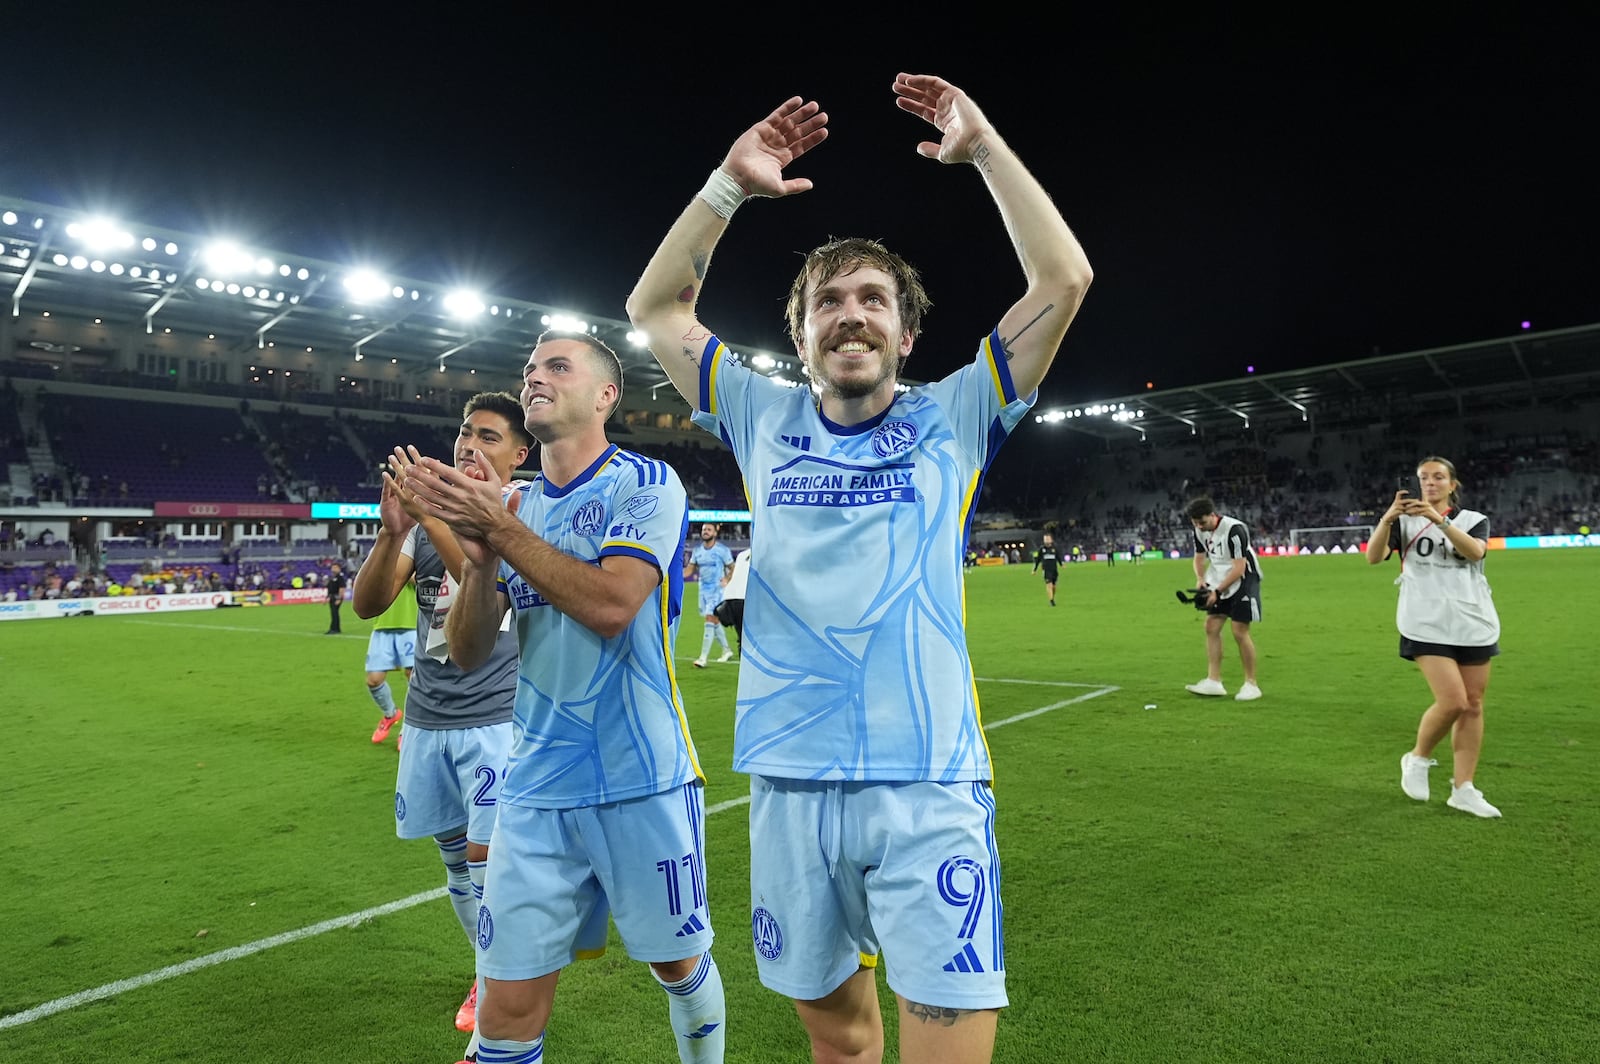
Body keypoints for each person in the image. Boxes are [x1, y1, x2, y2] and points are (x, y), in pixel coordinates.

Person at [625, 73, 1092, 1064]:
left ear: (906, 333)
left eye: (872, 298)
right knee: (837, 1046)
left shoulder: (955, 415)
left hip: (927, 786)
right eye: (826, 301)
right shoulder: (761, 413)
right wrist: (727, 187)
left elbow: (1064, 281)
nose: (849, 314)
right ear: (799, 337)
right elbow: (656, 307)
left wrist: (987, 150)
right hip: (788, 785)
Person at [399, 332, 725, 1064]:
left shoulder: (645, 484)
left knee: (677, 966)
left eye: (556, 366)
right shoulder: (512, 505)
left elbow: (613, 606)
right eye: (529, 369)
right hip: (536, 786)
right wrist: (482, 568)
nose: (534, 377)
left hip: (640, 777)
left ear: (606, 394)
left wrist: (502, 531)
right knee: (507, 1007)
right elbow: (471, 648)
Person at [351, 391, 532, 1058]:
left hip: (496, 720)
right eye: (463, 433)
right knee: (455, 864)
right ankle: (490, 971)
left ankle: (496, 996)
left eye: (486, 436)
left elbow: (494, 597)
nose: (467, 446)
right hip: (428, 720)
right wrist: (394, 529)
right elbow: (369, 603)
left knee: (487, 868)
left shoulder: (520, 516)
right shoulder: (425, 525)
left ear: (518, 454)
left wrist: (432, 515)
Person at [1366, 456, 1502, 818]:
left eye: (1438, 477)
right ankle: (1418, 757)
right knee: (1454, 700)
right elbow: (1373, 557)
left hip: (1471, 619)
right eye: (1424, 477)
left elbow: (1474, 552)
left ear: (1452, 484)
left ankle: (1464, 788)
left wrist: (1436, 519)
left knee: (1473, 703)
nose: (1430, 483)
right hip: (1424, 619)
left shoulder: (1474, 520)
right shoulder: (1403, 521)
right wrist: (1387, 518)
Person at [1183, 496, 1263, 701]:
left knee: (1239, 631)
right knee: (1211, 627)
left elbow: (1239, 567)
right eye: (1195, 523)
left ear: (1213, 515)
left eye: (1202, 522)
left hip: (1244, 580)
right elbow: (1199, 557)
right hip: (1219, 579)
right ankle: (1214, 681)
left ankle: (1251, 684)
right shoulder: (1200, 531)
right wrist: (1201, 579)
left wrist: (1217, 592)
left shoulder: (1235, 530)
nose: (1199, 527)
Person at [362, 578, 417, 747]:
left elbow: (420, 580)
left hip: (409, 624)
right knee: (374, 680)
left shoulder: (413, 553)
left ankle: (407, 730)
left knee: (414, 679)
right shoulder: (380, 553)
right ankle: (390, 714)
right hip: (382, 626)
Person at [686, 523, 735, 666]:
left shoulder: (722, 550)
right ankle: (726, 650)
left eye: (708, 530)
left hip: (717, 590)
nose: (705, 532)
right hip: (703, 591)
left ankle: (703, 658)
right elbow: (689, 570)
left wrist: (726, 579)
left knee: (709, 618)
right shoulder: (697, 551)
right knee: (714, 621)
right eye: (703, 530)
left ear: (715, 533)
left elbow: (732, 567)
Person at [715, 545, 751, 651]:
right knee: (753, 638)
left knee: (743, 638)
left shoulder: (742, 554)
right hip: (745, 598)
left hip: (731, 598)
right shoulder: (763, 553)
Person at [1032, 532, 1060, 606]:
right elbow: (1038, 560)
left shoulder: (1055, 548)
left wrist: (1061, 564)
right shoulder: (1042, 549)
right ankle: (1051, 601)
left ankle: (1052, 598)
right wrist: (1034, 570)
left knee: (1054, 586)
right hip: (1046, 570)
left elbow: (1058, 557)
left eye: (1048, 539)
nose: (1046, 540)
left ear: (1051, 540)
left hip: (1054, 570)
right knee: (1049, 585)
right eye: (1045, 539)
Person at [324, 561, 347, 634]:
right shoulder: (332, 577)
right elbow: (330, 588)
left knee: (335, 613)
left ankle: (334, 629)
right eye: (333, 567)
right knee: (334, 613)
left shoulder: (340, 578)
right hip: (332, 596)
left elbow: (342, 588)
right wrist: (327, 597)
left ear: (339, 569)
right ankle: (335, 628)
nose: (333, 569)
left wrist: (339, 598)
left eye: (335, 568)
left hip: (336, 597)